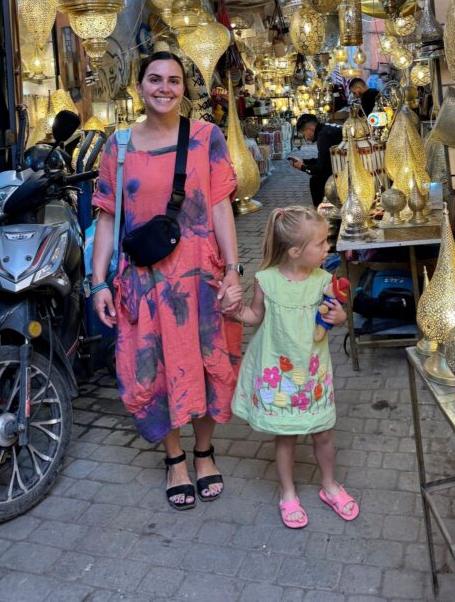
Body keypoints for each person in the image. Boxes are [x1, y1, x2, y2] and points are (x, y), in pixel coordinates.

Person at [91, 51, 243, 511]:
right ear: (139, 87)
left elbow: (220, 207)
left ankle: (204, 452)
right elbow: (105, 218)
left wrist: (234, 270)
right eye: (155, 79)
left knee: (210, 362)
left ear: (184, 89)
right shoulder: (117, 147)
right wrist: (97, 283)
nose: (164, 87)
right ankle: (174, 457)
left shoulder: (206, 137)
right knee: (151, 369)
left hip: (201, 277)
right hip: (145, 282)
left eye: (174, 80)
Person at [224, 206, 359, 529]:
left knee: (323, 432)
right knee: (286, 436)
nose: (328, 248)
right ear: (296, 251)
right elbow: (255, 317)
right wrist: (233, 312)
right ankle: (287, 492)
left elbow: (335, 314)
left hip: (313, 374)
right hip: (280, 375)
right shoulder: (266, 281)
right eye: (322, 243)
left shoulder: (324, 280)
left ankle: (329, 485)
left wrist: (339, 318)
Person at [289, 114, 342, 207]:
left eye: (304, 134)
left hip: (344, 170)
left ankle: (322, 212)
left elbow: (322, 168)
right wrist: (303, 161)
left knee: (316, 181)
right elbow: (324, 160)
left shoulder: (323, 136)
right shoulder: (326, 130)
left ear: (310, 129)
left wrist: (303, 167)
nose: (305, 137)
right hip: (342, 164)